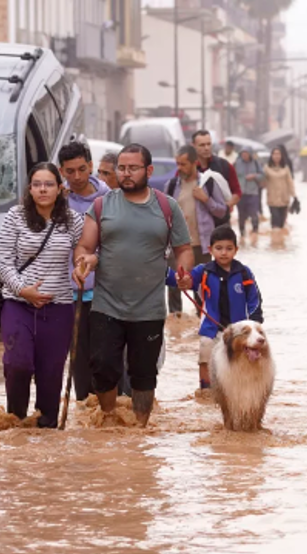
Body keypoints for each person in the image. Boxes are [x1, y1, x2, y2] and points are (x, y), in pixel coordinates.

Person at [73, 144, 195, 427]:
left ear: (148, 171)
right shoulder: (102, 205)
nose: (126, 174)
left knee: (144, 374)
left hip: (149, 307)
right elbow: (85, 246)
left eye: (133, 168)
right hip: (106, 304)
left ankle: (140, 428)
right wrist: (84, 262)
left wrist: (184, 272)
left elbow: (184, 249)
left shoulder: (167, 206)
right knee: (102, 367)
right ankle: (109, 419)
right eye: (122, 168)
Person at [0, 163, 84, 428]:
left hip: (59, 309)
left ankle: (46, 432)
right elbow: (3, 261)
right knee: (18, 364)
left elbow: (85, 251)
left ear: (60, 189)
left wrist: (81, 266)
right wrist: (23, 290)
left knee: (51, 374)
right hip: (18, 304)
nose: (42, 189)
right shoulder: (15, 216)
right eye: (37, 184)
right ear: (30, 189)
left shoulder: (73, 220)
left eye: (48, 184)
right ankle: (16, 422)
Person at [176, 225, 263, 390]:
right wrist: (182, 279)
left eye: (229, 248)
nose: (224, 252)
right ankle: (206, 390)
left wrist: (255, 323)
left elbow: (254, 299)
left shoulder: (244, 273)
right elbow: (188, 281)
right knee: (205, 356)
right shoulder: (203, 271)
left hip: (239, 331)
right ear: (210, 249)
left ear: (236, 250)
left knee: (242, 360)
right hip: (211, 328)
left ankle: (241, 390)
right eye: (219, 248)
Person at [58, 142, 110, 402]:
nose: (77, 177)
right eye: (70, 171)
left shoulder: (109, 199)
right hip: (69, 294)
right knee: (77, 358)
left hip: (104, 293)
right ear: (62, 171)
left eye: (81, 169)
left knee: (104, 358)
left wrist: (94, 260)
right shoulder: (58, 202)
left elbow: (114, 245)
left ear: (91, 166)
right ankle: (84, 411)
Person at [163, 144, 227, 315]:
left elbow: (222, 210)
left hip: (202, 244)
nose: (179, 168)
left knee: (201, 288)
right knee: (174, 287)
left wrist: (206, 199)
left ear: (194, 163)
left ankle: (202, 325)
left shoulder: (208, 183)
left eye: (183, 164)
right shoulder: (171, 185)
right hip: (177, 245)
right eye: (177, 164)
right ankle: (176, 327)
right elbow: (161, 214)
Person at [192, 130, 242, 215]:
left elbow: (237, 192)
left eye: (209, 144)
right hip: (197, 219)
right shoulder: (189, 168)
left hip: (220, 221)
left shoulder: (224, 166)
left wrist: (226, 207)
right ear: (193, 146)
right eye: (202, 145)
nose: (206, 148)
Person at [265, 146, 296, 245]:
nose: (276, 156)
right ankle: (274, 244)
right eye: (274, 154)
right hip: (272, 200)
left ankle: (280, 245)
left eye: (278, 154)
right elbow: (262, 182)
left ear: (282, 156)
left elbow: (290, 182)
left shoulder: (286, 168)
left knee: (282, 224)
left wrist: (294, 196)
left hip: (284, 199)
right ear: (271, 156)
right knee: (275, 223)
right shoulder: (266, 168)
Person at [234, 148, 263, 244]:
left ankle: (255, 233)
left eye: (246, 153)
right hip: (241, 193)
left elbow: (263, 175)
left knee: (254, 214)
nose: (244, 155)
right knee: (241, 215)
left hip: (253, 193)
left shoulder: (255, 163)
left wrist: (254, 176)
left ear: (250, 154)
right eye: (243, 153)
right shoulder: (237, 163)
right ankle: (242, 235)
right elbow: (232, 176)